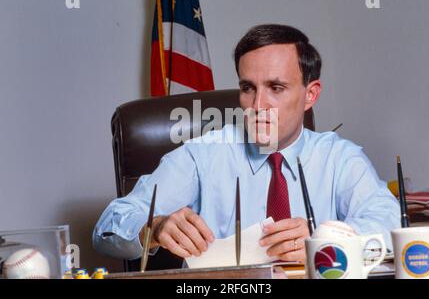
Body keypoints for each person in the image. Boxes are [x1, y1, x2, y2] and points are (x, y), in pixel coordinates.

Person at [93, 24, 400, 264]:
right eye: (247, 88)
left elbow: (389, 223)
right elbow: (106, 228)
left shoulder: (339, 158)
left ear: (311, 94)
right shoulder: (203, 154)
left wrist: (328, 237)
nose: (258, 104)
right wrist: (154, 227)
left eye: (276, 87)